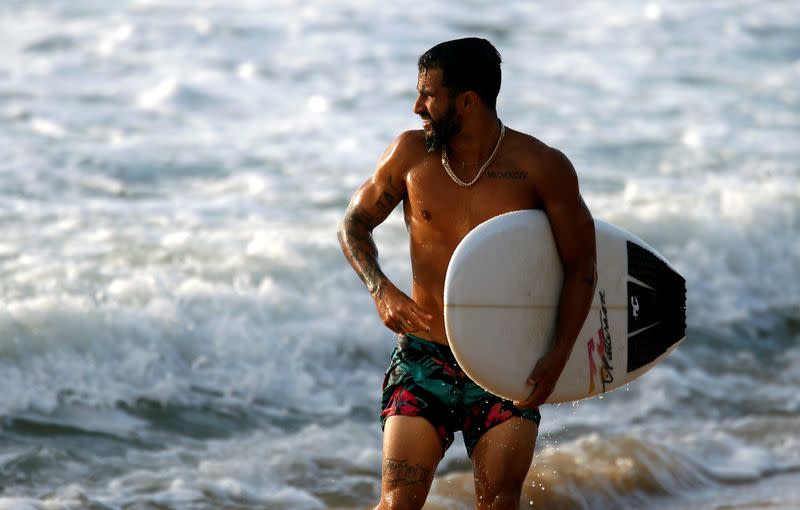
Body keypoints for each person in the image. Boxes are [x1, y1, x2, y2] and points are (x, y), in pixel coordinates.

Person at [337, 38, 597, 510]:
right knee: (397, 504)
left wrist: (558, 355)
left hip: (506, 363)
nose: (417, 107)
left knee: (498, 502)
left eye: (428, 95)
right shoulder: (409, 156)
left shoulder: (541, 167)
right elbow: (353, 225)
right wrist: (381, 289)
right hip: (424, 356)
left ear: (468, 101)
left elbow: (582, 265)